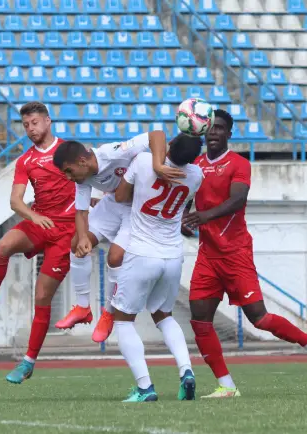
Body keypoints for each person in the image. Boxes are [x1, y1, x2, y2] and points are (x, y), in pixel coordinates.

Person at [183, 109, 307, 399]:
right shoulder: (196, 165)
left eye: (220, 128)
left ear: (229, 134)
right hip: (207, 255)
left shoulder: (238, 163)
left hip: (236, 252)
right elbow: (186, 200)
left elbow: (237, 200)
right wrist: (184, 221)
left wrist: (203, 216)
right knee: (200, 320)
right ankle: (226, 385)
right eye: (211, 128)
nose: (214, 133)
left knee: (259, 318)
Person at [0, 102, 76, 384]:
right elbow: (15, 201)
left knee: (41, 298)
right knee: (3, 246)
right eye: (25, 125)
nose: (30, 129)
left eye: (34, 123)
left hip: (66, 230)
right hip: (40, 222)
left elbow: (92, 176)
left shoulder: (69, 151)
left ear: (47, 121)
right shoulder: (26, 161)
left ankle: (28, 362)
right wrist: (35, 216)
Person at [52, 131, 185, 343]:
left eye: (69, 171)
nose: (68, 177)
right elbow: (81, 212)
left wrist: (158, 166)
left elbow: (157, 134)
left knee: (115, 258)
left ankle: (108, 313)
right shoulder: (82, 177)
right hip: (114, 203)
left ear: (82, 160)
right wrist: (84, 238)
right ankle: (83, 306)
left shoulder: (112, 154)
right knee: (77, 243)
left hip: (137, 208)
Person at [112, 134, 204, 402]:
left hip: (142, 252)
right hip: (173, 256)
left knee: (123, 320)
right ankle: (186, 371)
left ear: (170, 146)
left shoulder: (142, 162)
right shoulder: (196, 175)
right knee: (164, 316)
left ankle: (145, 387)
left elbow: (120, 196)